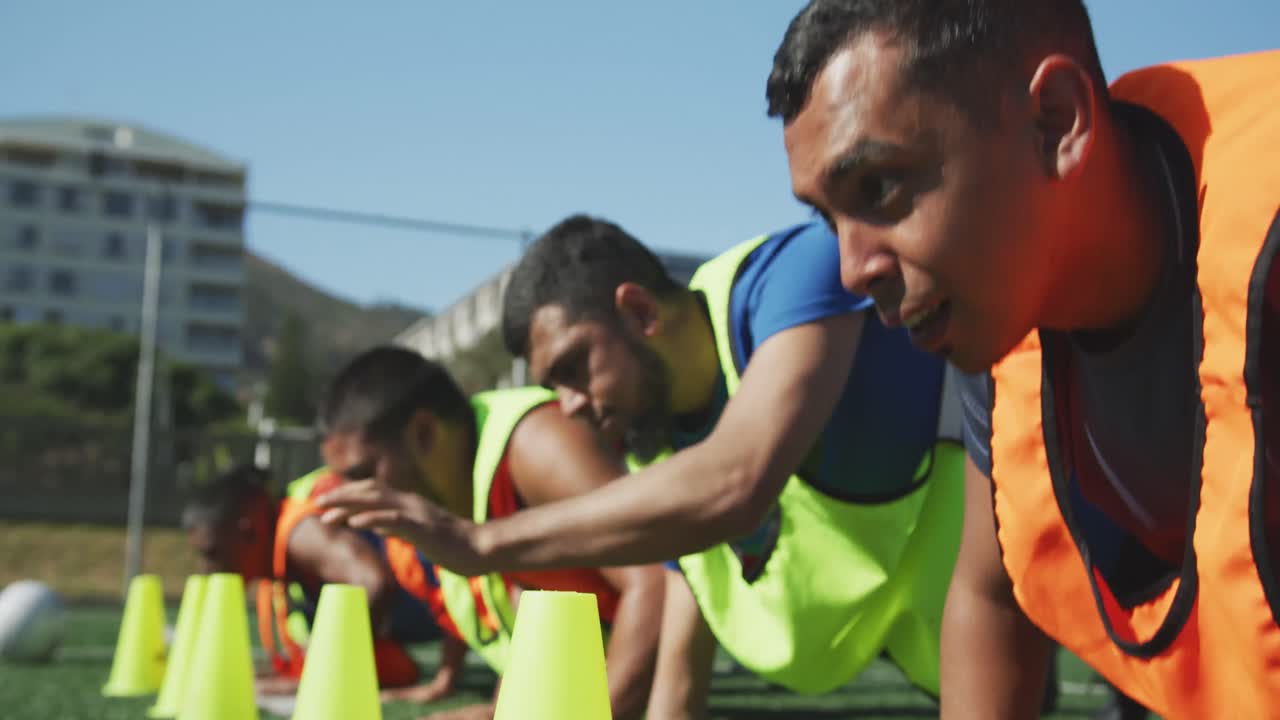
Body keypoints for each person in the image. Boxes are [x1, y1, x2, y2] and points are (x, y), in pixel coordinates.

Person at [764, 1, 1280, 718]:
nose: (852, 269)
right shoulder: (1006, 323)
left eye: (879, 187)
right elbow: (990, 590)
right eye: (828, 218)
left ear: (1058, 122)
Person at [321, 217, 967, 718]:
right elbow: (682, 656)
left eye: (574, 367)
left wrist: (480, 543)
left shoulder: (794, 275)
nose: (568, 405)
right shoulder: (652, 446)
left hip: (1019, 608)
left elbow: (738, 480)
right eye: (553, 384)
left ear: (639, 312)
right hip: (949, 659)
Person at [316, 347, 665, 720]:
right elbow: (539, 597)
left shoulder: (536, 445)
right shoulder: (465, 490)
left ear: (423, 433)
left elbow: (657, 581)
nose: (354, 495)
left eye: (363, 473)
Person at [182, 462, 463, 700]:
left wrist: (319, 672)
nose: (208, 569)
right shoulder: (280, 559)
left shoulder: (298, 533)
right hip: (436, 601)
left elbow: (373, 583)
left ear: (248, 530)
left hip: (453, 584)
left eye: (213, 554)